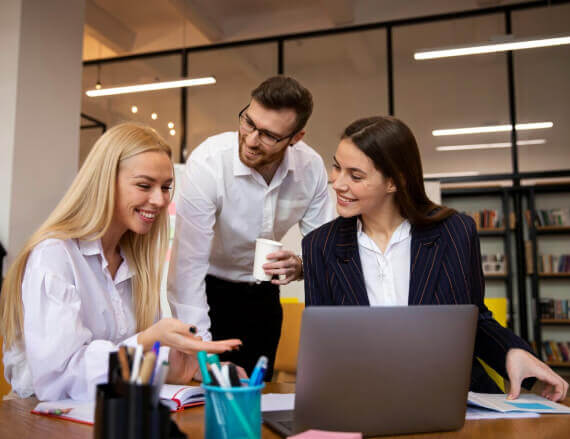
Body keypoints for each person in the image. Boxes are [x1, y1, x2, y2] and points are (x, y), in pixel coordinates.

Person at [302, 116, 568, 401]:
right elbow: (323, 346)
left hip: (452, 397)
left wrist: (512, 352)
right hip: (364, 400)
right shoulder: (319, 246)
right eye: (337, 167)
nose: (337, 183)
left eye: (355, 176)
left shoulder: (455, 232)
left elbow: (473, 319)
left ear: (394, 181)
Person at [0, 123, 241, 401]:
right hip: (36, 413)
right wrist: (148, 340)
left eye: (166, 187)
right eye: (144, 185)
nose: (160, 200)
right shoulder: (54, 255)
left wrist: (184, 366)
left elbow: (131, 363)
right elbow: (60, 379)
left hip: (110, 408)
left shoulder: (134, 263)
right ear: (104, 182)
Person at [168, 76, 334, 379]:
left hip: (263, 296)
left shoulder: (310, 169)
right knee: (206, 391)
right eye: (248, 122)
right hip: (209, 293)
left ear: (296, 137)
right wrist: (203, 353)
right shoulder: (209, 162)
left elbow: (325, 250)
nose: (252, 140)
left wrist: (301, 266)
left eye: (269, 135)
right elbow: (187, 267)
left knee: (258, 393)